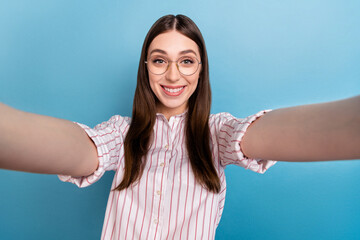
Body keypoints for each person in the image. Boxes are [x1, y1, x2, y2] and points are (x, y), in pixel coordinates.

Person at [0, 14, 359, 240]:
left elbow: (264, 135)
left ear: (201, 70)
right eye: (160, 61)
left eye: (187, 61)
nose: (173, 75)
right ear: (146, 67)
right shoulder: (121, 133)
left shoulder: (216, 134)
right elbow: (80, 150)